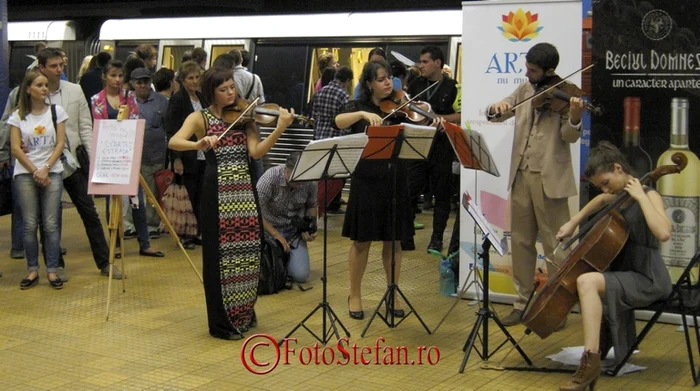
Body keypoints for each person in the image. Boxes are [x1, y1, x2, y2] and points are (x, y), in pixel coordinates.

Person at [168, 67, 294, 340]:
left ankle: (244, 312)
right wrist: (198, 144)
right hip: (216, 192)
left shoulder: (245, 116)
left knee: (247, 252)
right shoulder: (200, 117)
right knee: (220, 259)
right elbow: (174, 141)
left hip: (244, 194)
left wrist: (280, 128)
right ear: (211, 92)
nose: (230, 94)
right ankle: (222, 322)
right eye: (223, 90)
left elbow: (256, 152)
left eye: (232, 88)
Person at [555, 141, 672, 391]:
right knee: (586, 279)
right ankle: (592, 358)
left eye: (605, 182)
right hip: (627, 273)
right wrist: (574, 221)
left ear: (618, 168)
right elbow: (598, 202)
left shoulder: (649, 195)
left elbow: (663, 233)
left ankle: (590, 362)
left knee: (587, 281)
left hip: (649, 278)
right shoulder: (619, 196)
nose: (604, 190)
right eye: (599, 186)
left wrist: (641, 196)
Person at [485, 42, 585, 327]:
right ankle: (522, 303)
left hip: (550, 179)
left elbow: (569, 136)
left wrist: (575, 117)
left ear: (549, 71)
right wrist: (497, 107)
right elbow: (499, 114)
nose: (527, 73)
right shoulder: (525, 89)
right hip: (521, 176)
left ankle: (558, 307)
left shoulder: (566, 94)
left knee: (556, 246)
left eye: (533, 70)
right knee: (521, 241)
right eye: (527, 68)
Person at [335, 60, 423, 320]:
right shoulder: (358, 107)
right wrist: (362, 115)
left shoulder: (399, 107)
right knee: (362, 241)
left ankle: (393, 292)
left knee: (393, 239)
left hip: (395, 178)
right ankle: (355, 294)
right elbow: (338, 121)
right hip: (367, 180)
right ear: (369, 84)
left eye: (389, 78)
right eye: (381, 79)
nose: (388, 83)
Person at [91, 60, 164, 259]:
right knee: (110, 200)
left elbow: (134, 120)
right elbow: (100, 126)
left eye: (120, 75)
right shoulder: (96, 100)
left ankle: (145, 243)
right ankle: (114, 244)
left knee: (136, 199)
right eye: (113, 75)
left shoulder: (129, 97)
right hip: (108, 156)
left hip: (128, 153)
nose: (117, 79)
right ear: (105, 77)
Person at [7, 70, 66, 289]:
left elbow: (60, 143)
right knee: (29, 224)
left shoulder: (56, 112)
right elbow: (15, 148)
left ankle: (52, 270)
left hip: (52, 171)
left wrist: (46, 168)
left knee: (51, 224)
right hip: (25, 174)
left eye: (45, 85)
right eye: (39, 85)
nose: (44, 89)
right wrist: (35, 171)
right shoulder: (18, 116)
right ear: (28, 89)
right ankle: (32, 270)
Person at [406, 46, 461, 252]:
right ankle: (406, 234)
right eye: (420, 62)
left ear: (437, 63)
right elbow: (407, 107)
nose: (420, 66)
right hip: (417, 144)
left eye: (425, 62)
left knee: (442, 193)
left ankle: (437, 238)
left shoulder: (453, 86)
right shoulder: (415, 84)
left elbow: (461, 114)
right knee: (409, 190)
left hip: (441, 146)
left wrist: (442, 119)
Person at [257, 152, 317, 283]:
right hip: (268, 231)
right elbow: (255, 212)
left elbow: (312, 205)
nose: (300, 184)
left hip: (293, 232)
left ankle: (283, 263)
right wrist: (276, 235)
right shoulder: (269, 179)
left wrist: (309, 226)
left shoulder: (310, 181)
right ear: (286, 170)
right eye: (295, 179)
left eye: (302, 179)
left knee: (300, 276)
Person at [165, 61, 208, 245]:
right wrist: (176, 159)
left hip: (203, 155)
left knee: (200, 194)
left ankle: (197, 230)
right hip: (187, 155)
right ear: (183, 80)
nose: (194, 81)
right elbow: (172, 129)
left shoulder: (202, 97)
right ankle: (186, 233)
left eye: (197, 77)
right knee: (187, 195)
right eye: (190, 78)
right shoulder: (178, 99)